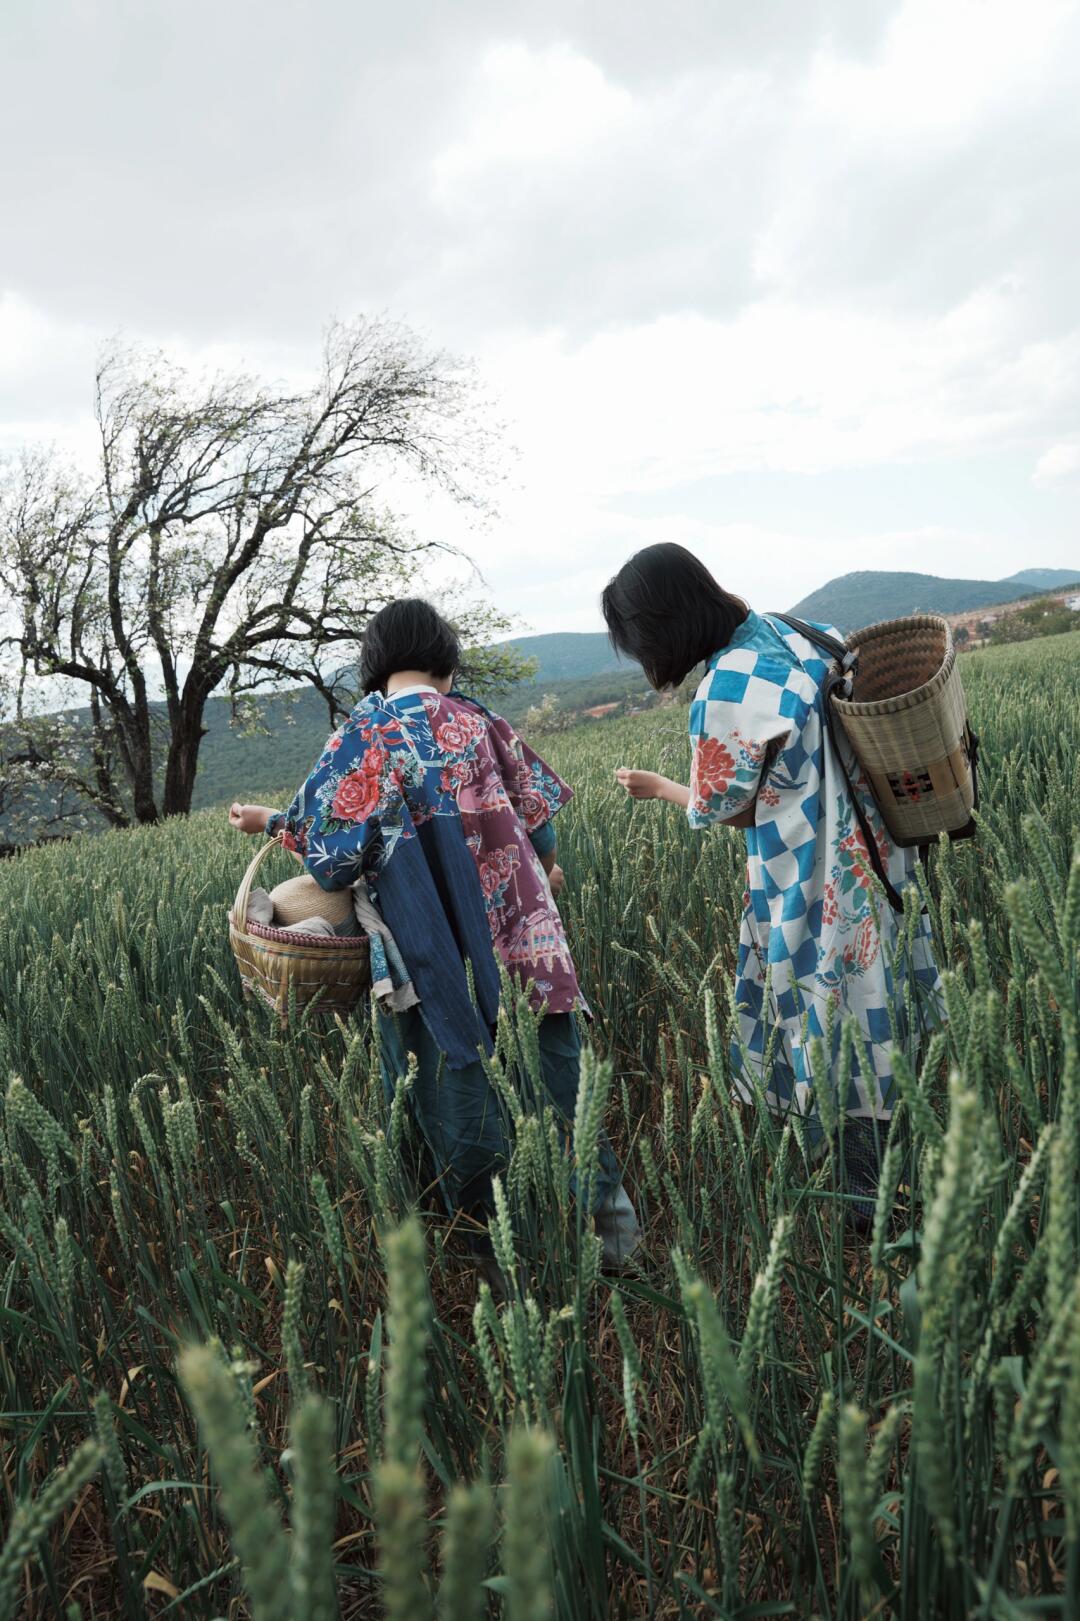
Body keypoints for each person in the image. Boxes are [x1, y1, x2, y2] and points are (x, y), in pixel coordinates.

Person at [228, 598, 639, 1277]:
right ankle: (616, 1248)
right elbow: (539, 823)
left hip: (433, 958)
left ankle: (505, 1262)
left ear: (375, 669)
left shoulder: (362, 734)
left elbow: (329, 858)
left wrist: (273, 821)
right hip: (525, 941)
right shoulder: (482, 719)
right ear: (445, 662)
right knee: (564, 1094)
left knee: (459, 1103)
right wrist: (543, 867)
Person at [601, 543, 941, 1225]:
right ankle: (920, 1179)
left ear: (664, 626)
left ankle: (868, 1220)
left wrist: (662, 787)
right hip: (884, 862)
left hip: (811, 890)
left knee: (832, 1035)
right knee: (887, 1015)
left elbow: (729, 808)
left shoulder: (726, 687)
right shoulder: (802, 631)